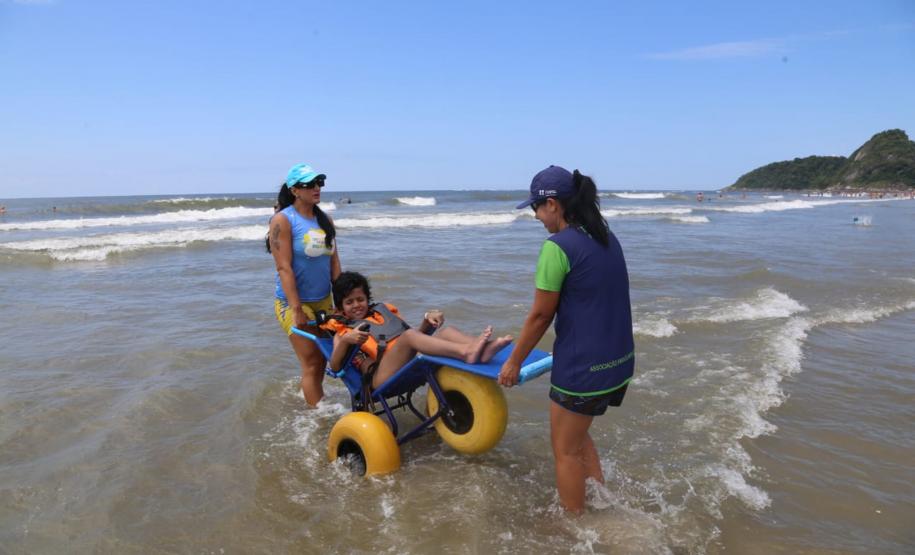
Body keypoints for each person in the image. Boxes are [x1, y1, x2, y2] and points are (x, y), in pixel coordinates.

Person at [498, 165, 634, 514]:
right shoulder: (604, 236)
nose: (536, 216)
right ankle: (601, 502)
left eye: (536, 208)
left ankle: (575, 528)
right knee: (577, 435)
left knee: (565, 450)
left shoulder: (557, 247)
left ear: (553, 205)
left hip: (583, 368)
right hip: (618, 363)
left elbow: (541, 315)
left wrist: (514, 361)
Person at [322, 272, 512, 389]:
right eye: (349, 302)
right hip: (380, 376)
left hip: (405, 363)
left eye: (360, 299)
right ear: (340, 307)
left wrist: (428, 321)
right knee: (409, 336)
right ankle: (467, 353)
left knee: (447, 331)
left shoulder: (381, 313)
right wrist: (347, 340)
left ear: (367, 298)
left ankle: (481, 350)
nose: (356, 305)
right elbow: (336, 367)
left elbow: (413, 341)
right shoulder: (343, 332)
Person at [268, 163, 342, 406]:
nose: (316, 188)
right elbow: (283, 267)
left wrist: (341, 302)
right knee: (312, 361)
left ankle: (310, 395)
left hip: (324, 300)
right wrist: (296, 309)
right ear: (294, 190)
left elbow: (334, 263)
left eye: (319, 182)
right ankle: (317, 418)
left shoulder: (325, 219)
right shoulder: (283, 220)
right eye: (309, 184)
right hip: (293, 302)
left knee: (325, 358)